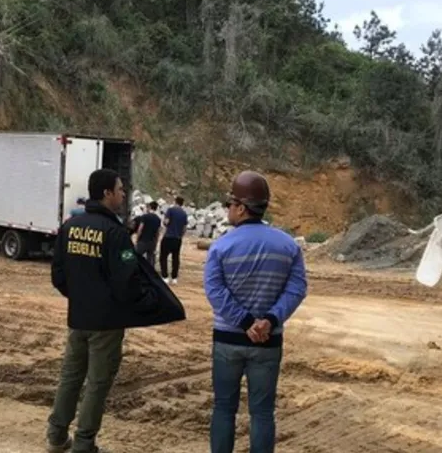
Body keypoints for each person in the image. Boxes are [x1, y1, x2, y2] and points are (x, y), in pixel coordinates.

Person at [47, 169, 182, 453]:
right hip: (106, 323)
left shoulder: (70, 226)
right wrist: (147, 305)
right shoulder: (115, 233)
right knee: (97, 383)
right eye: (120, 189)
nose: (123, 195)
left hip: (78, 317)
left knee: (71, 376)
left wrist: (80, 297)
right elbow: (127, 281)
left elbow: (58, 274)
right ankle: (84, 443)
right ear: (107, 193)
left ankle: (56, 436)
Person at [203, 170, 307, 453]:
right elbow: (297, 288)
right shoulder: (288, 245)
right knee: (262, 413)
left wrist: (245, 321)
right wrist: (269, 320)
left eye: (230, 204)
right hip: (268, 341)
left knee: (224, 408)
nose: (227, 209)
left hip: (228, 340)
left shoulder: (221, 247)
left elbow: (214, 290)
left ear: (241, 207)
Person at [159, 196, 189, 285]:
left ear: (175, 202)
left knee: (163, 257)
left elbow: (166, 222)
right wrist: (180, 236)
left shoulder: (170, 210)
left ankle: (165, 277)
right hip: (178, 239)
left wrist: (164, 222)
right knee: (175, 258)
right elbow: (184, 228)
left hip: (168, 237)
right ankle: (174, 277)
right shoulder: (184, 214)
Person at [133, 201, 162, 267]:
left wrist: (137, 239)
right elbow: (157, 233)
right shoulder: (158, 219)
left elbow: (140, 229)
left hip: (143, 241)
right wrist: (156, 243)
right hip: (152, 242)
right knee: (150, 260)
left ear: (149, 207)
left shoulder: (145, 216)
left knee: (134, 255)